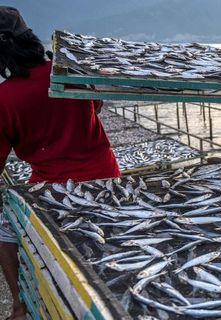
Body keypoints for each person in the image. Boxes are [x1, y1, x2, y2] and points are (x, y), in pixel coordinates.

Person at [0, 7, 120, 319]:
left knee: (2, 232)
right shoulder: (67, 72)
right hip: (108, 176)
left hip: (51, 191)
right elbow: (96, 105)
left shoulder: (5, 97)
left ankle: (19, 303)